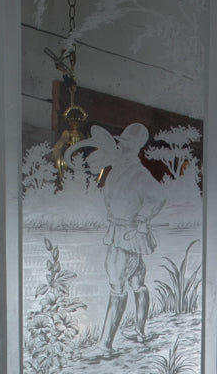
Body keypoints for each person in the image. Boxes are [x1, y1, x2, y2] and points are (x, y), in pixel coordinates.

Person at [69, 123, 165, 361]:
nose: (119, 147)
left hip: (127, 235)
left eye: (124, 144)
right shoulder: (119, 168)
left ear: (134, 148)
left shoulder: (139, 173)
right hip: (119, 230)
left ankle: (105, 345)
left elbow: (159, 196)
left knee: (117, 286)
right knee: (137, 281)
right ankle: (140, 333)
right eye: (120, 143)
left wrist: (142, 220)